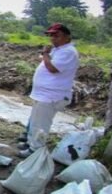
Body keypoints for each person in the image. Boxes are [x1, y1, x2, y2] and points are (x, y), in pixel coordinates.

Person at [18, 23, 80, 158]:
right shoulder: (59, 49)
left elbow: (52, 68)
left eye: (56, 35)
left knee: (41, 124)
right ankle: (30, 143)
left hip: (52, 95)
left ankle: (35, 150)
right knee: (35, 121)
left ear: (67, 37)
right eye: (51, 35)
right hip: (44, 94)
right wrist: (47, 55)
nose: (52, 38)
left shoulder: (68, 51)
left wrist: (45, 53)